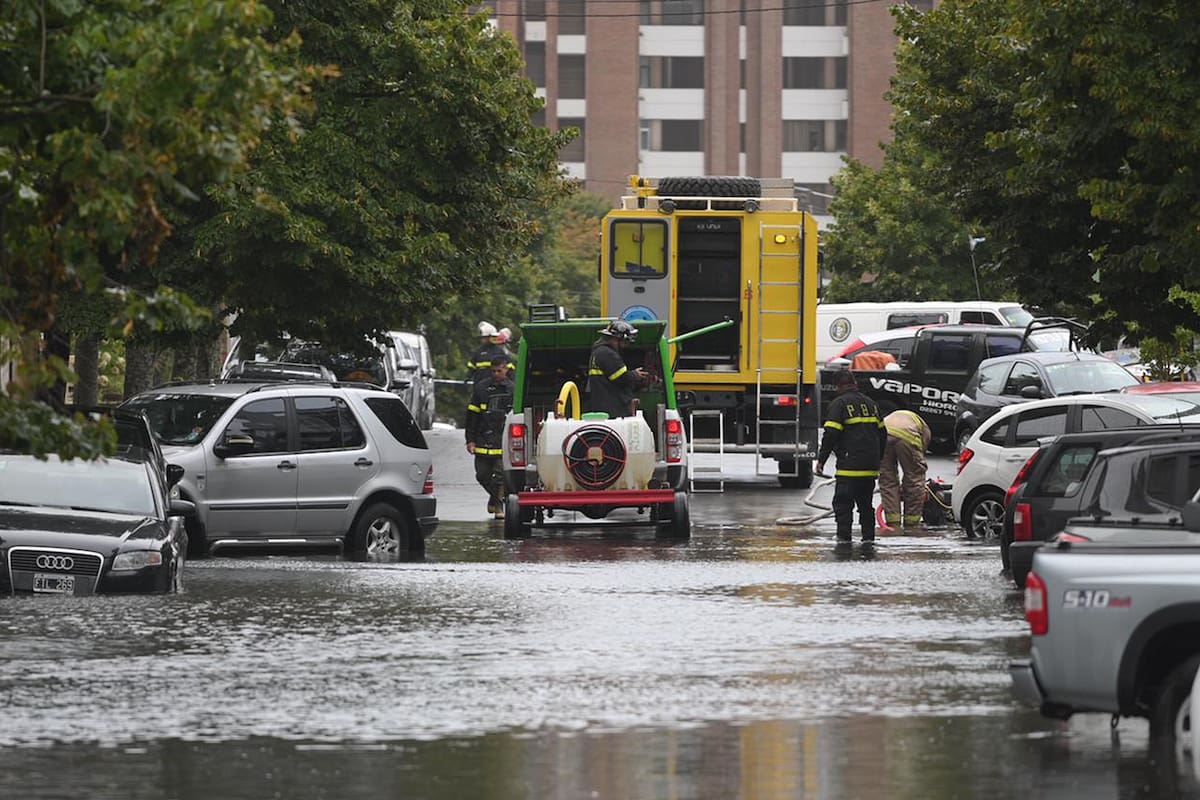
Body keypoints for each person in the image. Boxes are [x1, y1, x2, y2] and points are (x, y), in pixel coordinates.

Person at [815, 370, 887, 545]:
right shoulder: (871, 404)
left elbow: (830, 434)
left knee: (843, 503)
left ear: (838, 386)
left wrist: (821, 460)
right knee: (865, 504)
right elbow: (883, 434)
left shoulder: (838, 404)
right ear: (855, 383)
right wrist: (878, 458)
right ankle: (868, 538)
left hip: (849, 466)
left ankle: (844, 538)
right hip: (870, 466)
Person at [465, 362, 516, 518]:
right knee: (482, 475)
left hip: (502, 440)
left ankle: (499, 505)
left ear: (506, 370)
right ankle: (495, 498)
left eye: (499, 371)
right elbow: (472, 416)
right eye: (493, 371)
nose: (495, 374)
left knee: (499, 476)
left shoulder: (513, 389)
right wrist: (470, 440)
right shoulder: (481, 388)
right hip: (482, 440)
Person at [879, 409, 932, 528]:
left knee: (887, 481)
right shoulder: (925, 429)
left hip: (884, 436)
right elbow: (920, 453)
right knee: (914, 479)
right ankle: (912, 523)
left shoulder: (896, 416)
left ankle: (892, 522)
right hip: (907, 436)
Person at [587, 319, 647, 418]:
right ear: (617, 339)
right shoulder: (607, 354)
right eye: (625, 341)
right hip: (614, 411)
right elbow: (621, 378)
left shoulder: (599, 352)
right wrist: (635, 375)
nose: (626, 345)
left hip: (604, 408)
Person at [466, 321, 515, 387]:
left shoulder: (499, 351)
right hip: (479, 386)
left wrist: (511, 382)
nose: (482, 340)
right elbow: (472, 366)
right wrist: (468, 376)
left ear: (489, 337)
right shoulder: (478, 351)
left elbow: (509, 368)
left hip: (494, 386)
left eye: (484, 337)